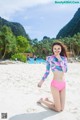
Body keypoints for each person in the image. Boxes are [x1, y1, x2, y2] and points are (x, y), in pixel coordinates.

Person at [37, 41, 68, 112]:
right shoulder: (49, 58)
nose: (57, 50)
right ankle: (42, 101)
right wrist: (41, 81)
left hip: (63, 85)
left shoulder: (64, 58)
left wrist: (59, 59)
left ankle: (47, 100)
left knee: (62, 109)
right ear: (52, 49)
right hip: (55, 85)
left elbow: (65, 70)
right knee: (58, 109)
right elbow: (47, 72)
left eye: (58, 48)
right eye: (55, 48)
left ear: (61, 49)